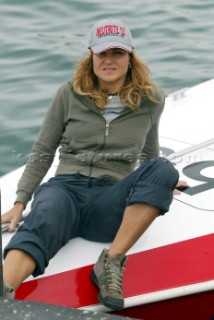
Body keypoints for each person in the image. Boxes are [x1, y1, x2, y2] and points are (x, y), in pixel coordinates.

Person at [1, 17, 186, 311]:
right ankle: (4, 292)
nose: (109, 60)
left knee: (165, 168)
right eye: (103, 53)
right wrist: (20, 202)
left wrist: (160, 184)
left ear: (130, 56)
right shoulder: (69, 94)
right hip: (66, 190)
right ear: (92, 56)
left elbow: (150, 153)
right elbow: (43, 149)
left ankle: (111, 263)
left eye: (117, 52)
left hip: (109, 201)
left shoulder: (151, 100)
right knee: (44, 216)